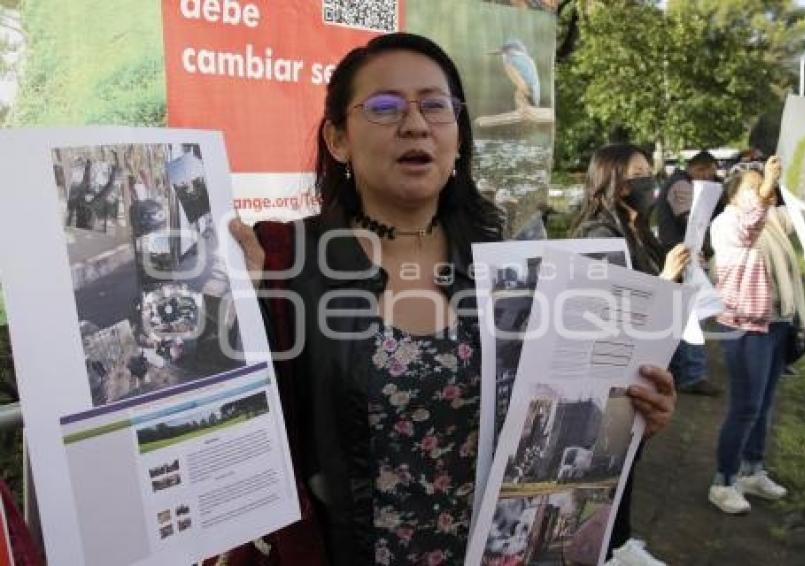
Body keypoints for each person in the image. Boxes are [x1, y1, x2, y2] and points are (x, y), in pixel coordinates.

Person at [230, 34, 677, 565]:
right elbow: (237, 434)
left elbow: (556, 428)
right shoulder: (283, 259)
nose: (415, 123)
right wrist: (240, 311)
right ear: (337, 139)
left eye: (435, 105)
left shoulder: (513, 267)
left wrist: (630, 413)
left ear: (458, 135)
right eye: (384, 107)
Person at [571, 143, 690, 566]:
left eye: (649, 170)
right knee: (608, 466)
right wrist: (667, 277)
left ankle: (619, 542)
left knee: (628, 463)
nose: (649, 181)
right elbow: (609, 310)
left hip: (639, 369)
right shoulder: (599, 236)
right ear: (615, 182)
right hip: (609, 375)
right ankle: (602, 548)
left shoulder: (637, 228)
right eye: (638, 173)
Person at [708, 156, 805, 514]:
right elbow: (750, 222)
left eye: (765, 184)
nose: (764, 189)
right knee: (746, 406)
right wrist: (765, 190)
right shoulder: (727, 223)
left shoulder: (772, 221)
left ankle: (752, 470)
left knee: (764, 405)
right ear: (732, 197)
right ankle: (723, 481)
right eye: (752, 185)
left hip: (777, 322)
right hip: (746, 326)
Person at [655, 150, 722, 396]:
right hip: (681, 257)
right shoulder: (682, 185)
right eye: (708, 172)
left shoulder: (680, 182)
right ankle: (691, 374)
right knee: (692, 315)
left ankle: (682, 370)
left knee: (683, 316)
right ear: (699, 169)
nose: (711, 177)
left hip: (680, 254)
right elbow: (689, 220)